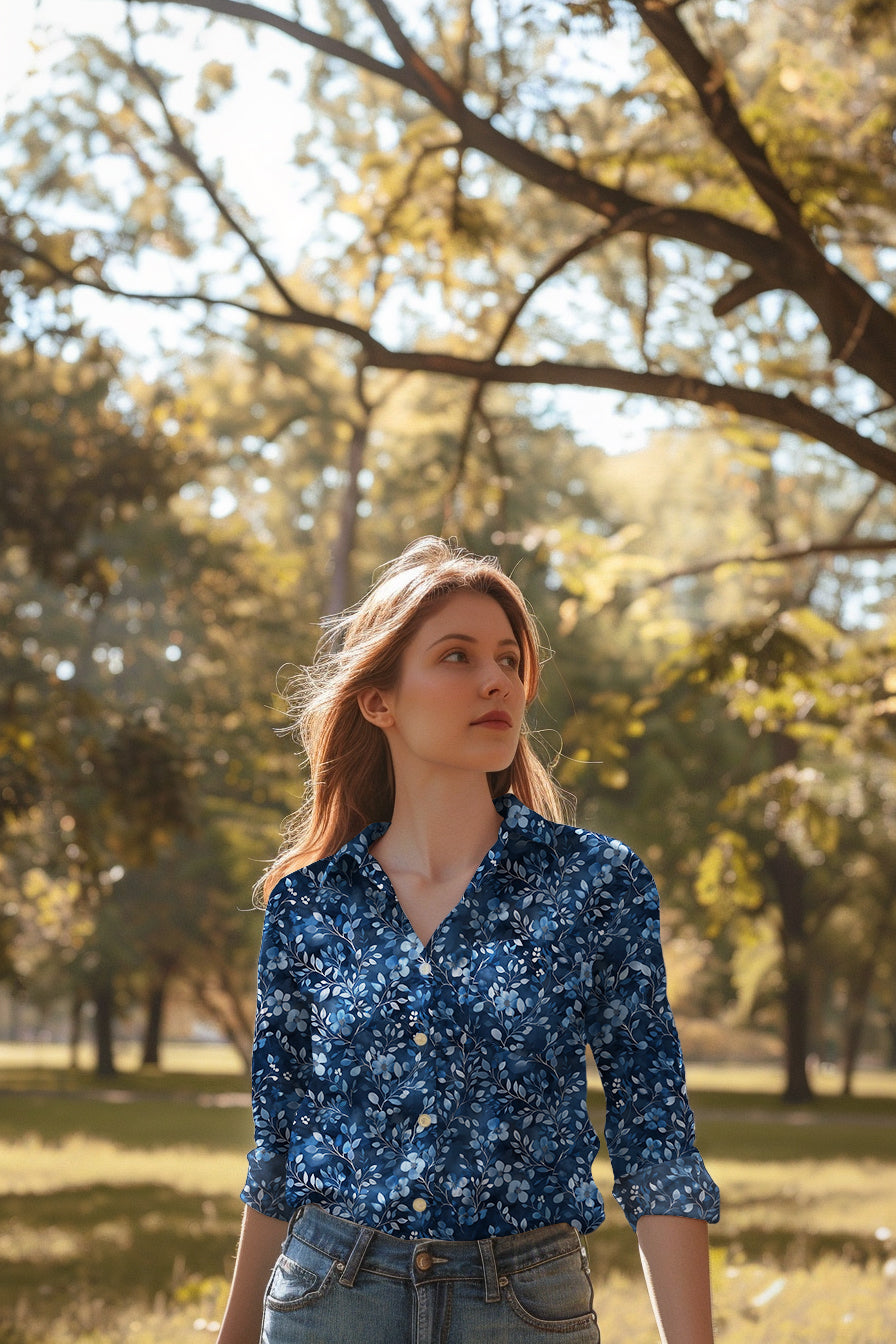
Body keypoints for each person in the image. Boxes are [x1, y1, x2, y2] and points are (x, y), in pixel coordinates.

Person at [217, 537, 719, 1344]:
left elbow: (653, 1135)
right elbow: (277, 1153)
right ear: (379, 700)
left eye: (509, 660)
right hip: (327, 1302)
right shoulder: (311, 902)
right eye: (456, 656)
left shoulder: (596, 884)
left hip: (523, 1308)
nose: (496, 681)